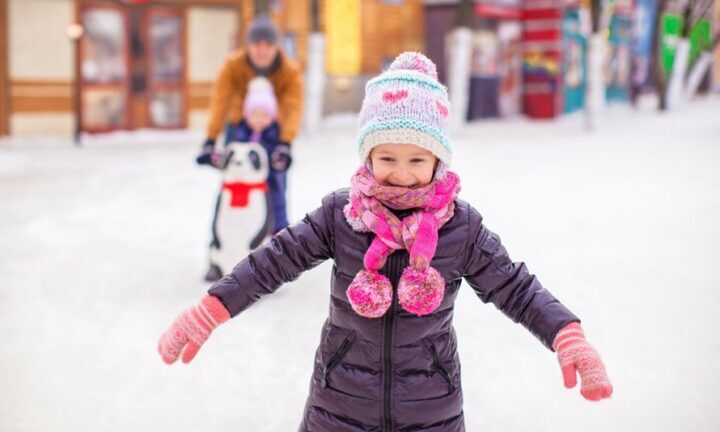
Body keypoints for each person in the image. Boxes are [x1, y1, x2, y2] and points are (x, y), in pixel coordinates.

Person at [159, 52, 613, 431]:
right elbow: (273, 261)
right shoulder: (341, 217)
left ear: (438, 159)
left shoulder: (460, 227)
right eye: (387, 157)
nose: (401, 172)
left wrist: (565, 334)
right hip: (338, 407)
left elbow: (514, 287)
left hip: (431, 409)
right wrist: (210, 309)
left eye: (417, 159)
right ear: (367, 155)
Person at [196, 15, 302, 233]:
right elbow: (220, 100)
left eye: (268, 45)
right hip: (239, 128)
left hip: (274, 132)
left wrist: (286, 143)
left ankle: (279, 238)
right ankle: (221, 241)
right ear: (248, 45)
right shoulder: (233, 65)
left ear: (276, 46)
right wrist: (210, 139)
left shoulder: (289, 71)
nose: (262, 51)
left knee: (276, 183)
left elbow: (293, 107)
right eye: (256, 44)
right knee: (232, 182)